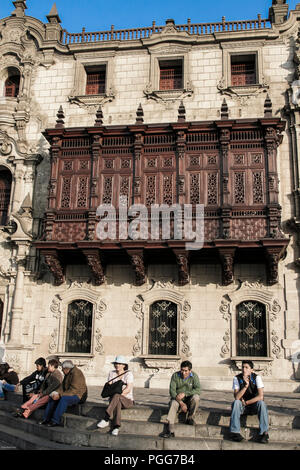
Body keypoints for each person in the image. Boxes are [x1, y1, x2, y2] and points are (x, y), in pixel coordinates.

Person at [229, 359, 269, 444]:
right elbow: (237, 397)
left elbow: (260, 396)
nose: (244, 369)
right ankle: (235, 432)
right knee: (236, 403)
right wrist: (245, 386)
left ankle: (264, 433)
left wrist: (247, 402)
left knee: (262, 403)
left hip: (253, 406)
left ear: (251, 370)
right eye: (243, 367)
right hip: (242, 407)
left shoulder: (257, 378)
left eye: (247, 367)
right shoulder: (237, 378)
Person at [38, 360, 87, 427]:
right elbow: (62, 387)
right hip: (70, 393)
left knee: (64, 399)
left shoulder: (77, 374)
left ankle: (55, 420)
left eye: (63, 369)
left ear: (67, 368)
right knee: (52, 397)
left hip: (79, 396)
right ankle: (46, 419)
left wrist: (60, 395)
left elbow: (74, 390)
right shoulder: (68, 374)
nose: (62, 371)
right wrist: (56, 392)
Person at [160, 360, 201, 439]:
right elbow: (172, 392)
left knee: (196, 397)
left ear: (190, 370)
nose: (183, 373)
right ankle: (170, 430)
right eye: (182, 370)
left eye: (186, 371)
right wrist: (181, 403)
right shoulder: (175, 376)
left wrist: (185, 393)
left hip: (189, 400)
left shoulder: (194, 376)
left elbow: (198, 390)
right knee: (173, 403)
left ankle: (190, 418)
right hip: (177, 400)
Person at [97, 355, 134, 436]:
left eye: (120, 364)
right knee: (117, 402)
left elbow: (128, 389)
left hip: (127, 400)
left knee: (116, 396)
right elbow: (109, 386)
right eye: (116, 363)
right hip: (115, 400)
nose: (117, 365)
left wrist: (118, 395)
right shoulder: (112, 373)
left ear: (124, 365)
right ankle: (116, 427)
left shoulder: (128, 374)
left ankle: (106, 418)